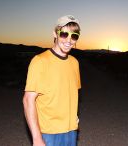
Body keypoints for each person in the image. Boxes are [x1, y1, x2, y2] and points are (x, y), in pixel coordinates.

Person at [23, 15, 81, 146]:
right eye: (64, 34)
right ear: (55, 33)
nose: (69, 40)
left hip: (71, 130)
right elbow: (28, 100)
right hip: (48, 133)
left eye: (74, 36)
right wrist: (37, 138)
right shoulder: (40, 61)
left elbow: (70, 93)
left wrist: (73, 117)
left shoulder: (74, 62)